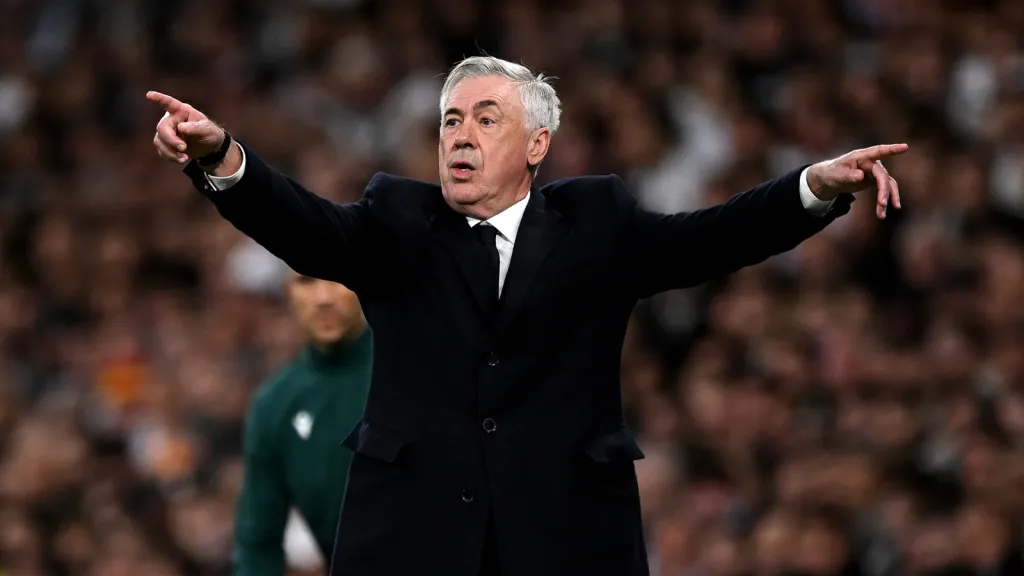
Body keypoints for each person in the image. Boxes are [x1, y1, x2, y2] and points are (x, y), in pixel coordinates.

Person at [147, 56, 907, 576]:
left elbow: (715, 237)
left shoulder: (599, 223)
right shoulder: (395, 220)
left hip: (566, 536)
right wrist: (223, 159)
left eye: (485, 119)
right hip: (412, 539)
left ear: (537, 143)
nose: (460, 137)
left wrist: (813, 185)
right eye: (450, 121)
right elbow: (303, 226)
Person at [234, 271, 372, 575]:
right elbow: (258, 542)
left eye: (337, 276)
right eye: (306, 281)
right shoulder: (274, 405)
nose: (323, 298)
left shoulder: (421, 365)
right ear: (288, 291)